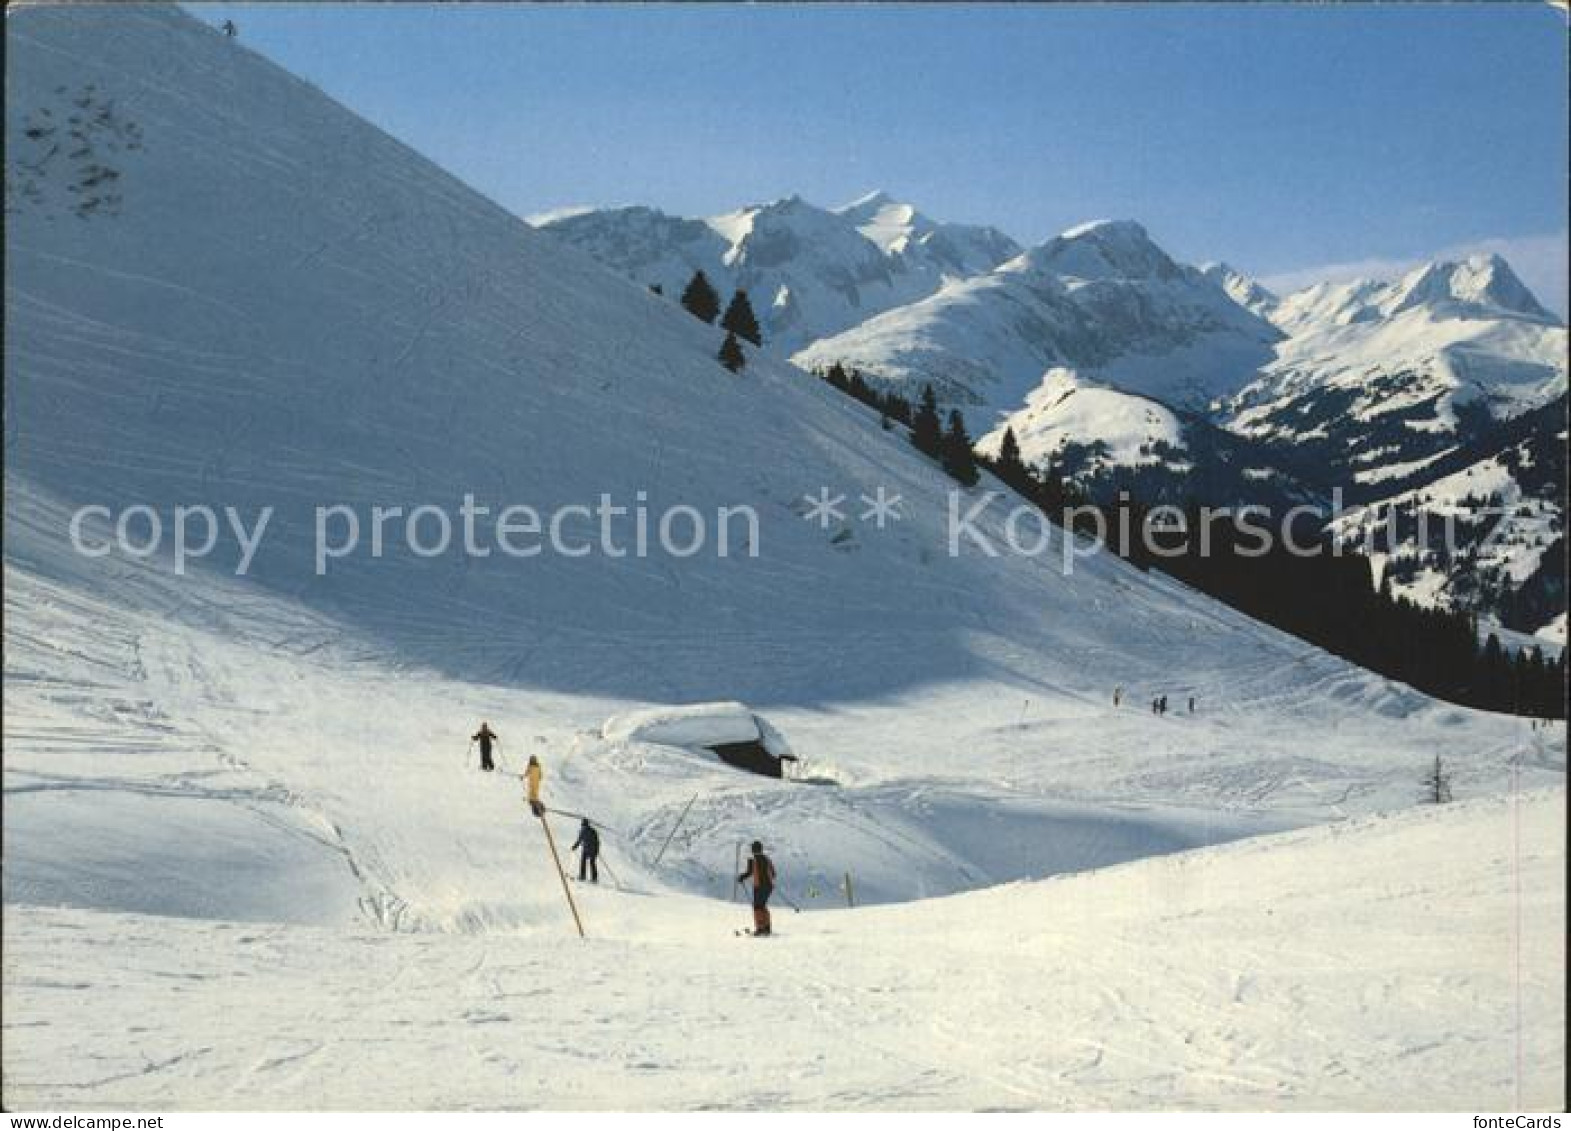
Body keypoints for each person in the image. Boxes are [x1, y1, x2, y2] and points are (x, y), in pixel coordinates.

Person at [737, 840, 777, 936]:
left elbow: (749, 872)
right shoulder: (767, 859)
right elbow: (774, 874)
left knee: (757, 907)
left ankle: (760, 928)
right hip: (769, 887)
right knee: (762, 905)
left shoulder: (752, 859)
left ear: (753, 850)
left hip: (759, 886)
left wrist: (741, 877)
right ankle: (767, 927)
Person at [571, 819, 601, 883]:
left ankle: (582, 876)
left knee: (583, 862)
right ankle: (594, 878)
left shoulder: (583, 831)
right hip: (593, 850)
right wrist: (597, 850)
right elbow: (597, 841)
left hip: (587, 849)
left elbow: (579, 841)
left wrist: (574, 847)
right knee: (592, 863)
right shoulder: (593, 831)